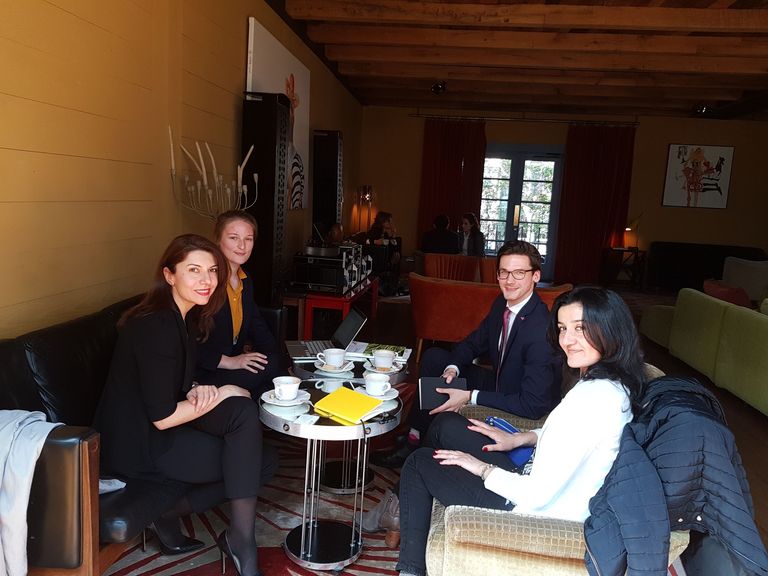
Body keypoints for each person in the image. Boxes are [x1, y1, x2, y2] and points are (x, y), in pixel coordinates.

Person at [393, 286, 647, 576]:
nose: (567, 340)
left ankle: (410, 567)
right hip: (532, 475)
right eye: (563, 328)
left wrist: (481, 469)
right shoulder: (609, 386)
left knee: (419, 463)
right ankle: (402, 504)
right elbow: (576, 437)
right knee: (446, 425)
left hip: (531, 510)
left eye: (581, 328)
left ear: (610, 329)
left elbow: (537, 494)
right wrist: (521, 438)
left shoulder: (596, 399)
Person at [95, 234, 277, 576]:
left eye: (212, 270)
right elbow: (163, 417)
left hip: (161, 423)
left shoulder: (184, 316)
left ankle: (194, 522)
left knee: (245, 420)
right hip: (141, 444)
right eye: (194, 270)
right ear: (169, 275)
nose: (206, 280)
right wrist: (222, 391)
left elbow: (166, 380)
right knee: (257, 460)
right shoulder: (155, 326)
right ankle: (240, 542)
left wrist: (195, 388)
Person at [373, 240, 561, 469]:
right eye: (503, 272)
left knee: (447, 381)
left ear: (535, 276)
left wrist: (470, 396)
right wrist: (453, 368)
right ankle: (416, 435)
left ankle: (421, 446)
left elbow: (532, 405)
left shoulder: (540, 330)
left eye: (519, 273)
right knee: (435, 359)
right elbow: (474, 342)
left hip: (519, 400)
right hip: (500, 381)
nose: (509, 280)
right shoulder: (503, 303)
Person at [195, 210, 284, 397]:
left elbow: (256, 323)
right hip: (205, 370)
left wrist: (277, 357)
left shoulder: (245, 279)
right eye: (233, 238)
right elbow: (187, 343)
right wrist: (229, 361)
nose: (242, 246)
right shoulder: (206, 283)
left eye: (248, 239)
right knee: (271, 377)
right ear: (218, 240)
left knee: (274, 369)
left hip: (232, 364)